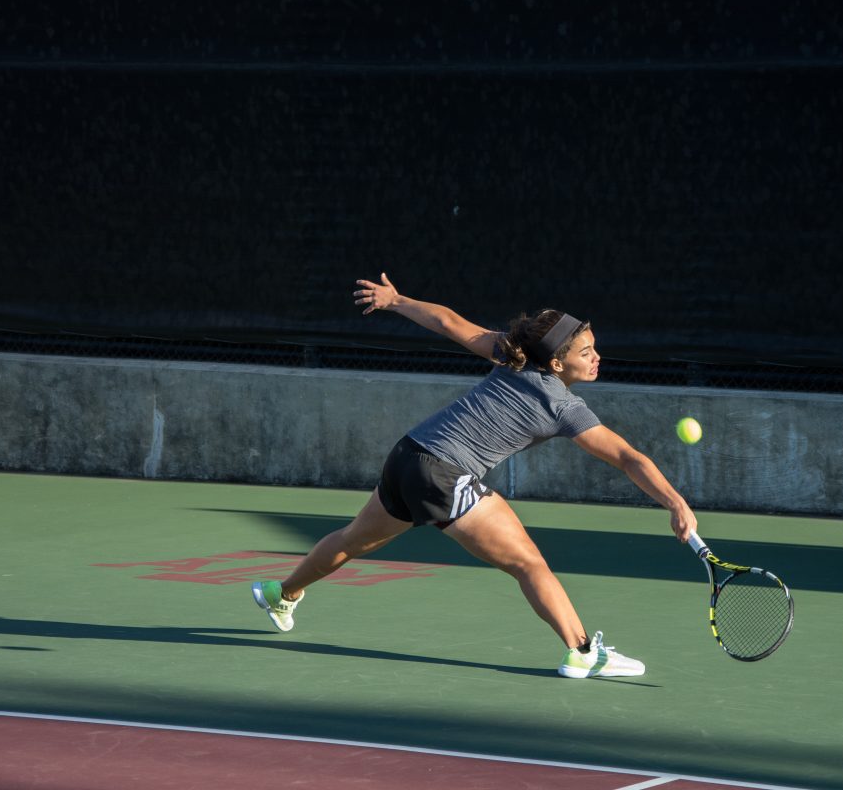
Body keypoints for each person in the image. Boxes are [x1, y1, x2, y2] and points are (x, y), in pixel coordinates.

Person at [252, 272, 698, 678]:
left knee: (353, 539)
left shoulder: (514, 357)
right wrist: (676, 503)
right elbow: (628, 457)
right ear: (558, 365)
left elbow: (449, 323)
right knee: (528, 563)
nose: (597, 357)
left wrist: (395, 299)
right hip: (444, 473)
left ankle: (282, 592)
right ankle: (582, 651)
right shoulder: (564, 407)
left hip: (408, 455)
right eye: (586, 352)